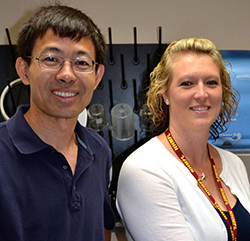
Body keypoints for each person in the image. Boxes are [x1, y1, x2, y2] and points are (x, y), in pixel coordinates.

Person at [0, 4, 115, 241]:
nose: (67, 74)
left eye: (82, 63)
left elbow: (102, 228)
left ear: (97, 77)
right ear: (24, 70)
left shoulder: (98, 151)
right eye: (51, 59)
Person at [116, 38, 250, 241]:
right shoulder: (144, 169)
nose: (202, 94)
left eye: (211, 83)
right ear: (165, 93)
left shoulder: (234, 164)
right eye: (187, 83)